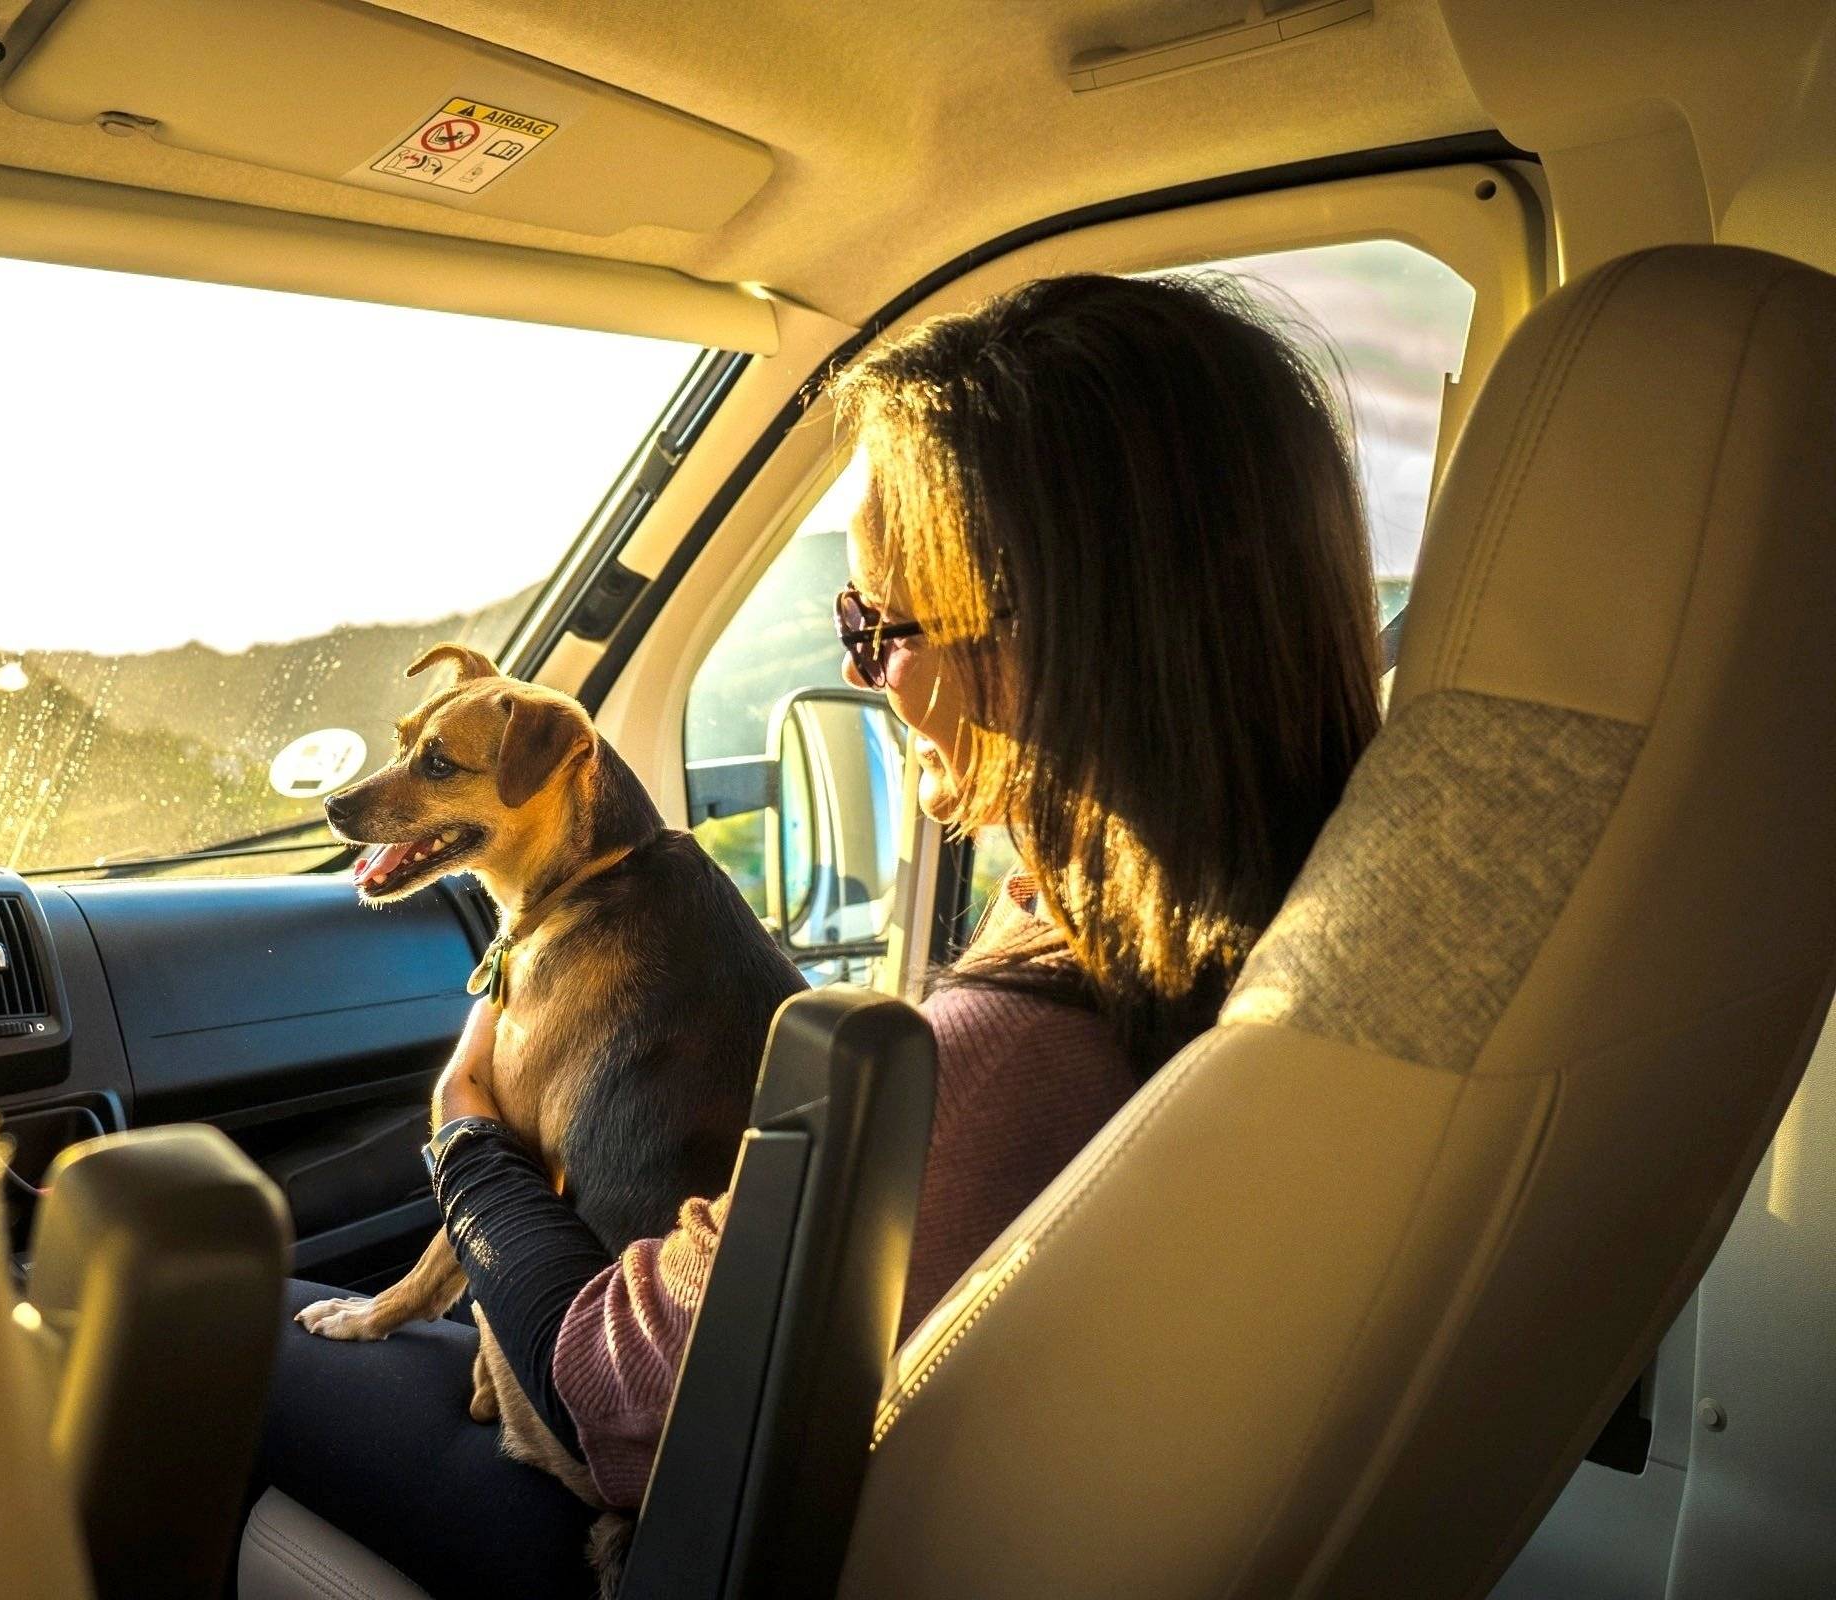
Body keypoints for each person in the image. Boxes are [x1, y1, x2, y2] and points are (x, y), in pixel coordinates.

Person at [247, 272, 1385, 1597]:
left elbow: (610, 1399)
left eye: (877, 625)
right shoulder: (1307, 956)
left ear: (1057, 642)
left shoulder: (989, 1064)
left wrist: (469, 1137)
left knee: (190, 1302)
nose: (857, 670)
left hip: (673, 1538)